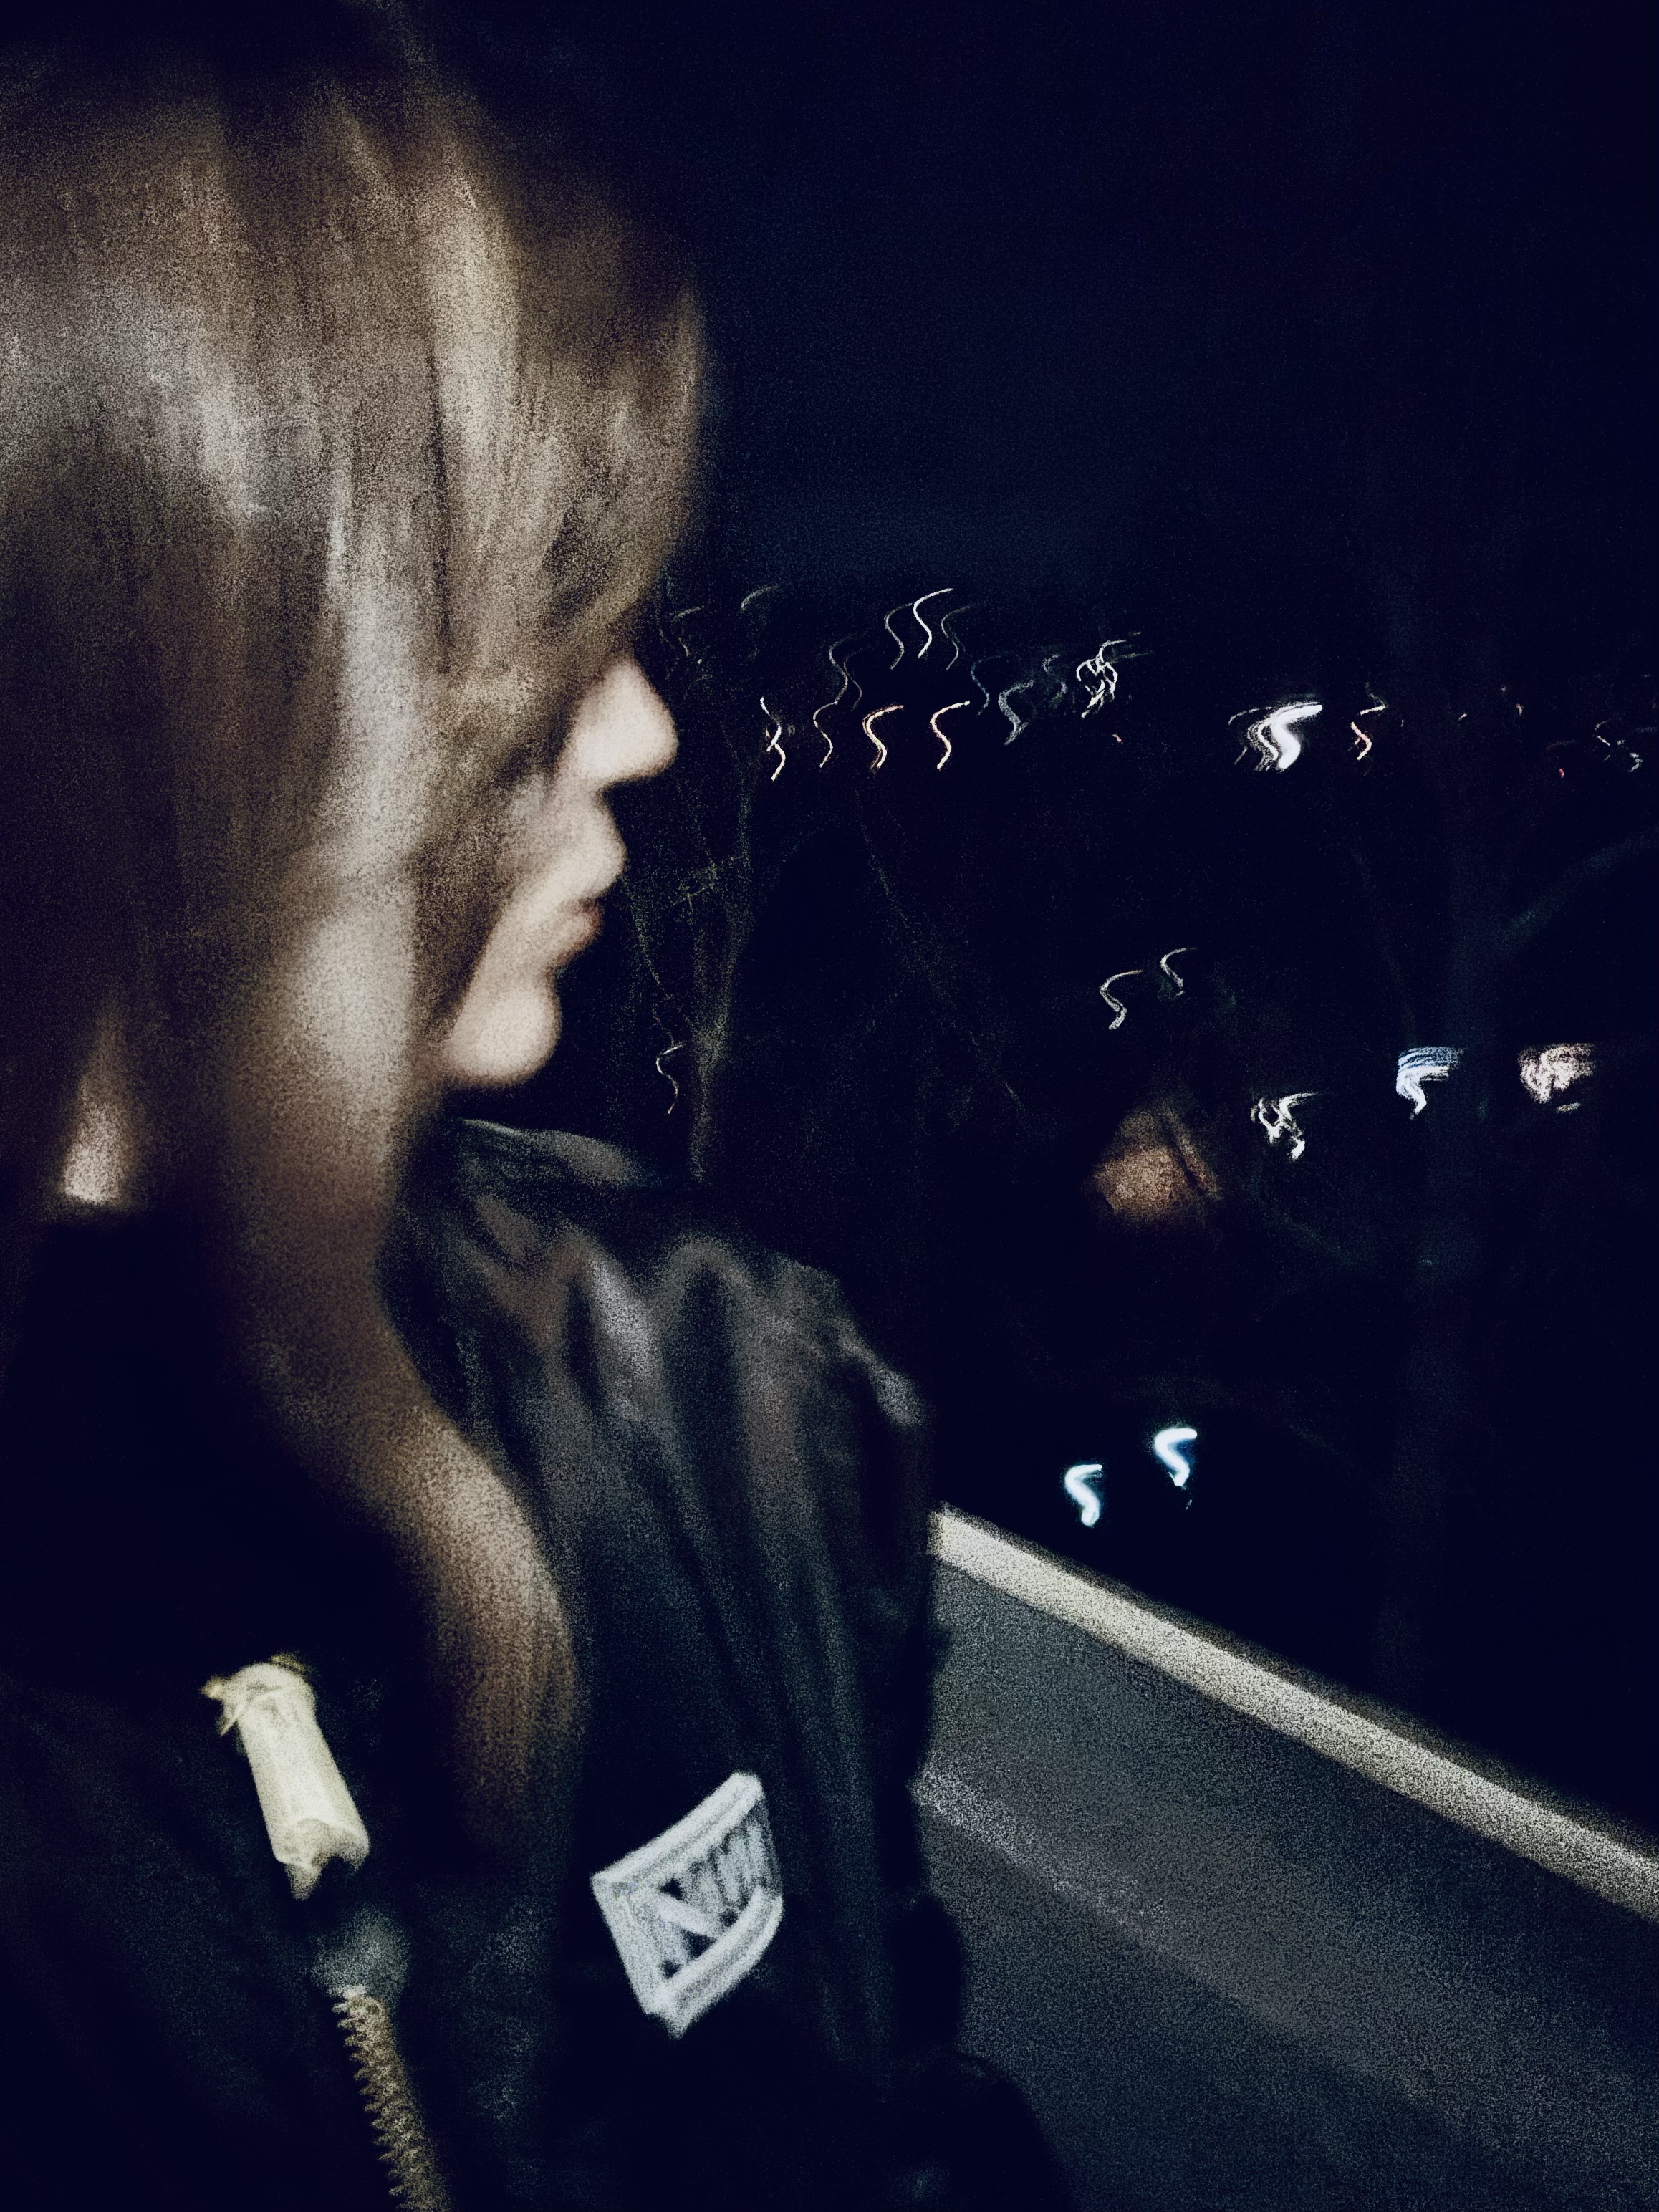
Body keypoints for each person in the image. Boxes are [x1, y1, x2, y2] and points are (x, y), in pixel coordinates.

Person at [0, 15, 1073, 2209]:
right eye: (543, 652)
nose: (647, 731)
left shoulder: (722, 1392)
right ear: (204, 723)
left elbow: (909, 2130)